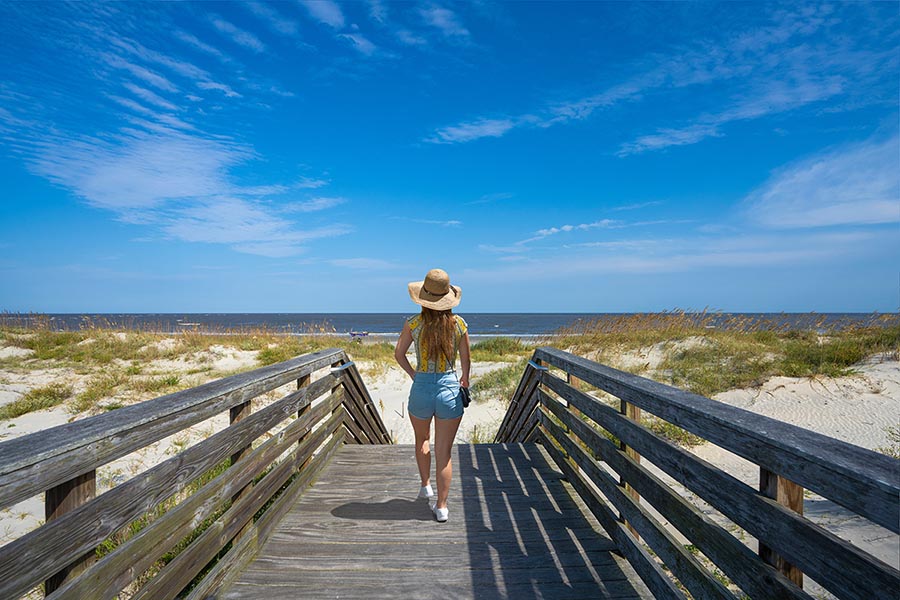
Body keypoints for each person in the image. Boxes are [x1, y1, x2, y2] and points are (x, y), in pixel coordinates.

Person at [394, 268, 471, 523]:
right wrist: (465, 380)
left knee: (422, 440)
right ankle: (441, 506)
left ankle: (425, 484)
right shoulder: (459, 324)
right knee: (444, 451)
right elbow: (466, 359)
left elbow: (399, 354)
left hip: (422, 388)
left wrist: (415, 374)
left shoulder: (413, 323)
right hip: (449, 387)